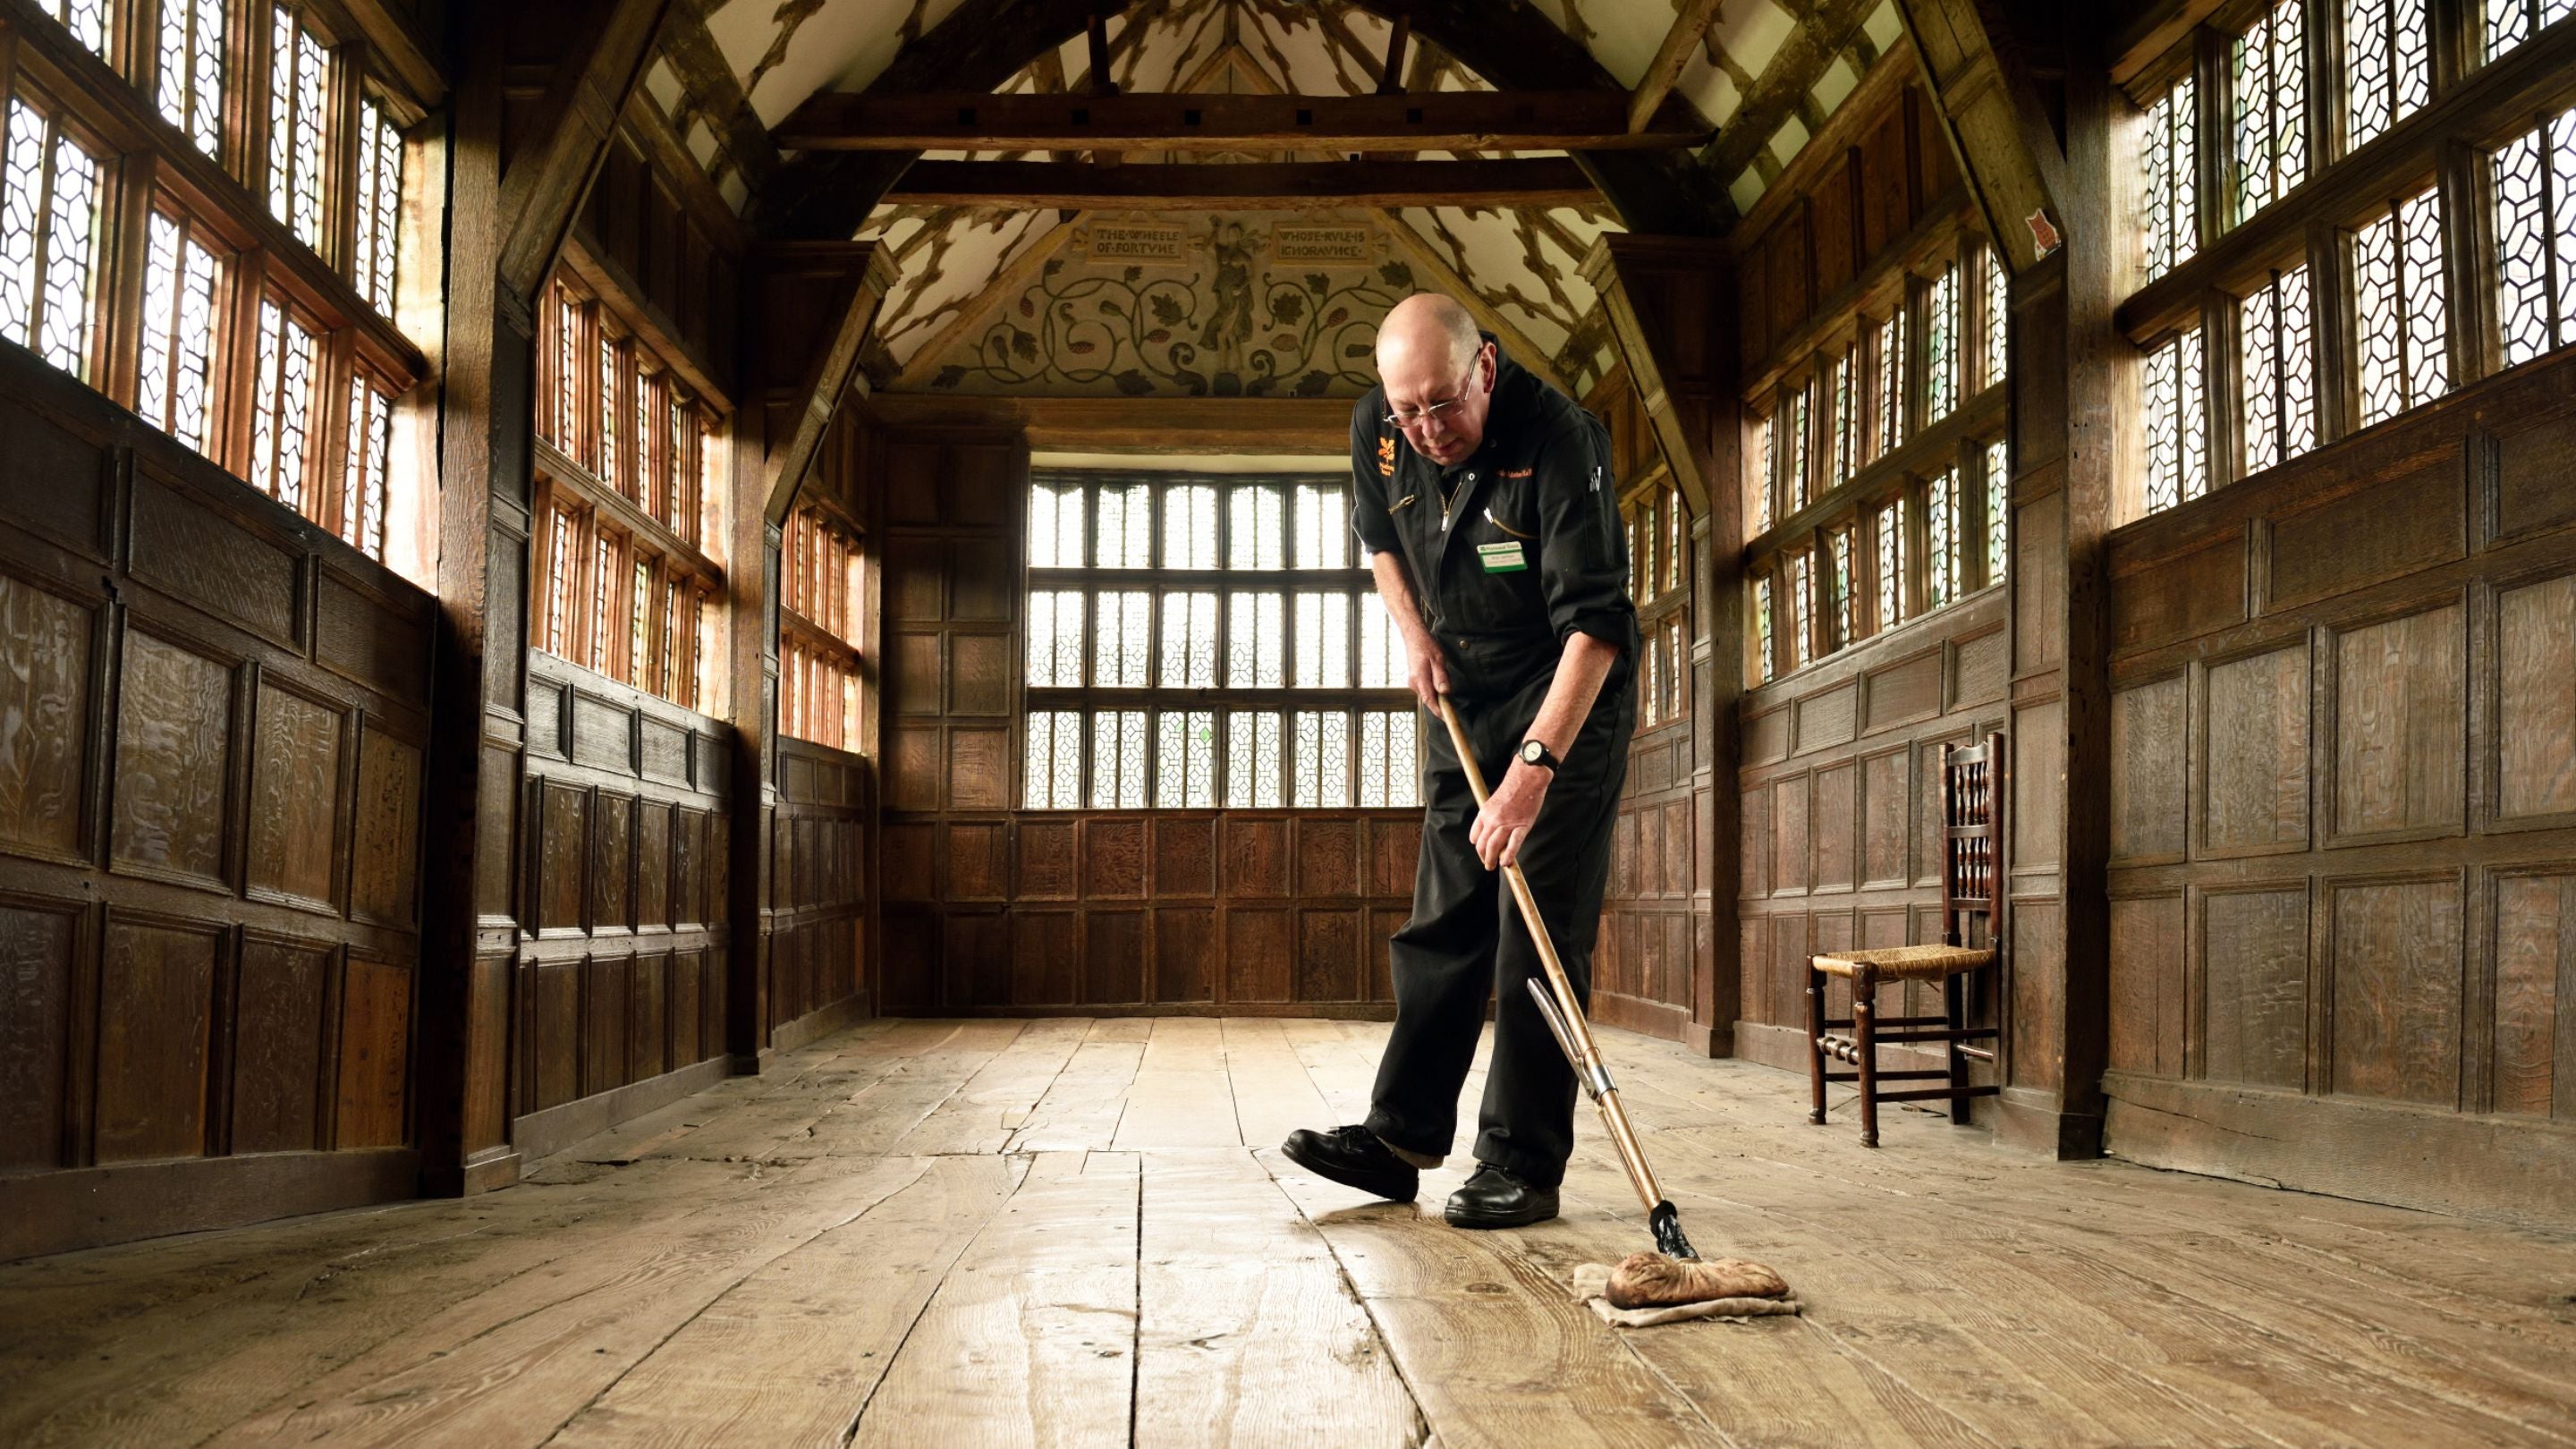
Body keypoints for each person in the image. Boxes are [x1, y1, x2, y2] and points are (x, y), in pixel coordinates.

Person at [1281, 292, 1637, 1228]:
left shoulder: (1562, 440)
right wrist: (1413, 637)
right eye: (1409, 411)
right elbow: (1380, 543)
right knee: (1443, 914)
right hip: (1460, 690)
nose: (1428, 429)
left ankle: (1523, 1162)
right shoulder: (1381, 425)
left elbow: (1597, 629)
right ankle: (1399, 1139)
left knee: (1533, 933)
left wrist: (1531, 772)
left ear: (1484, 368)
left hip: (1564, 703)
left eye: (1444, 403)